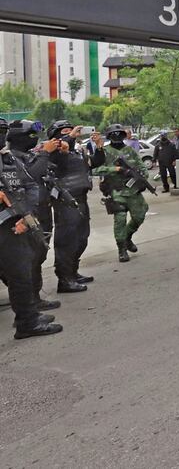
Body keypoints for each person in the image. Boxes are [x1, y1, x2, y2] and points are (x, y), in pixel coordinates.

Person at [0, 117, 63, 339]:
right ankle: (27, 322)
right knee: (19, 274)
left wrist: (25, 217)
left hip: (15, 224)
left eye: (3, 130)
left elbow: (29, 184)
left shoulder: (8, 158)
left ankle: (28, 318)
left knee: (21, 273)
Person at [91, 124, 149, 263]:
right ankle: (121, 249)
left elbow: (141, 167)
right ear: (109, 136)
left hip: (133, 191)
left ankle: (127, 237)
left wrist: (142, 175)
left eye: (119, 134)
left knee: (139, 216)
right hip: (116, 191)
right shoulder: (104, 151)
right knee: (120, 219)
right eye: (113, 134)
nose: (117, 137)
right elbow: (94, 170)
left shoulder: (130, 150)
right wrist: (115, 169)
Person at [48, 120, 95, 291]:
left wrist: (99, 148)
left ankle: (73, 272)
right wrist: (70, 137)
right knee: (67, 241)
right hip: (65, 200)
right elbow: (56, 157)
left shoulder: (76, 151)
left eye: (71, 130)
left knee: (81, 238)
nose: (70, 133)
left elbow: (94, 164)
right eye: (65, 132)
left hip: (81, 198)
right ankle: (64, 279)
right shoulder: (53, 151)